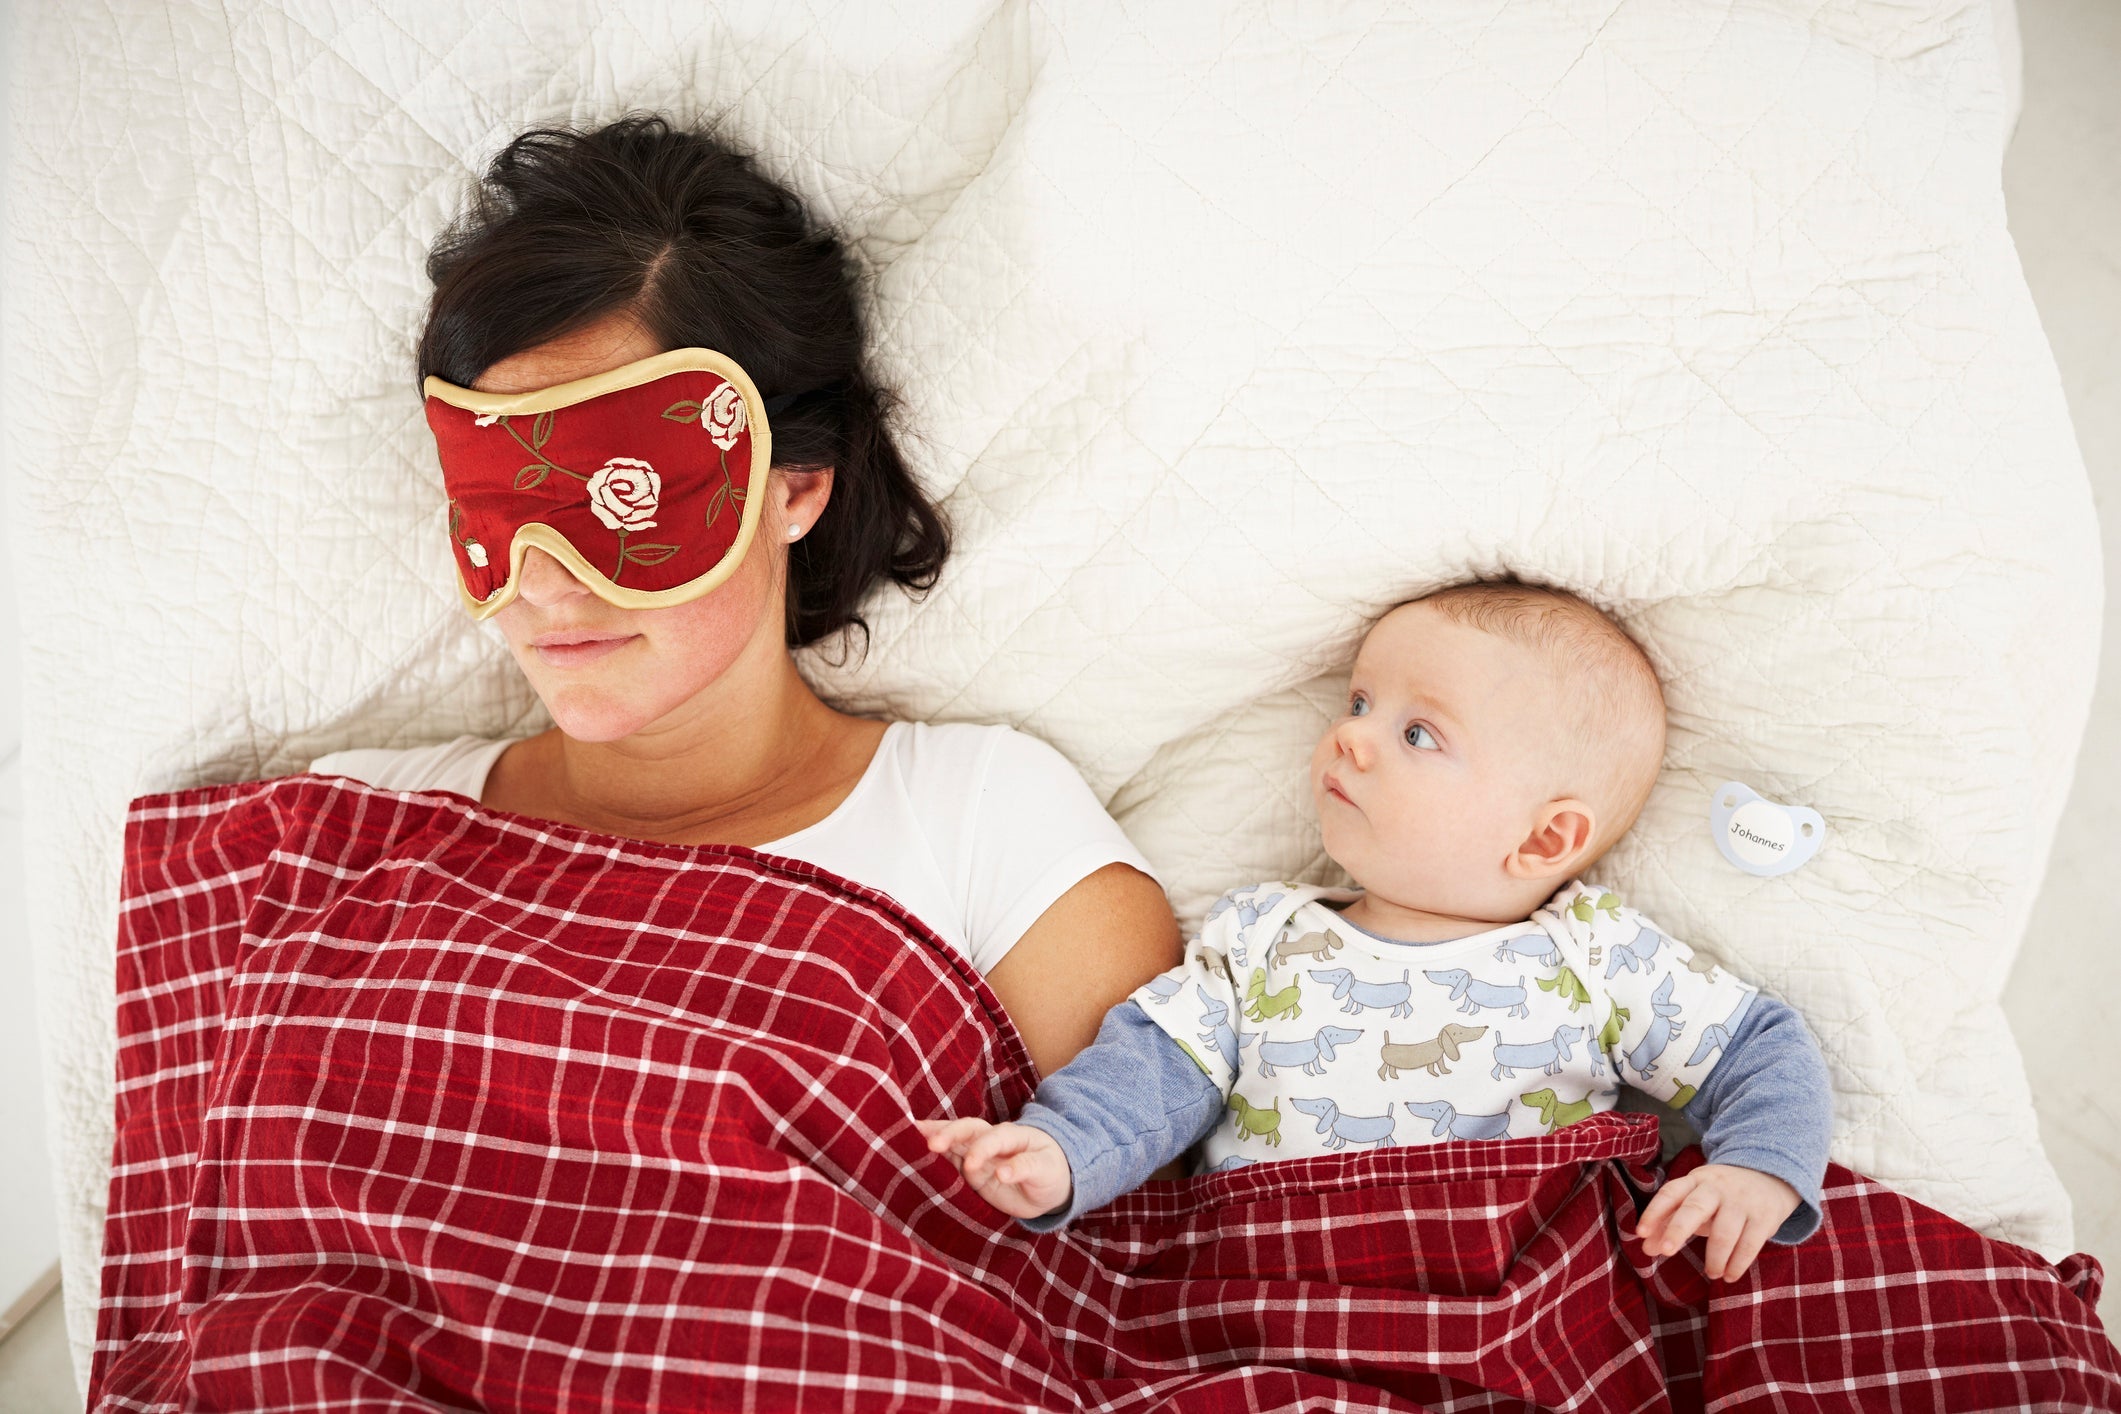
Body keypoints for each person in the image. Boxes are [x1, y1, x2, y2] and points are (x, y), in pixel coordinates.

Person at [309, 113, 1180, 1077]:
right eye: (496, 502)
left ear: (795, 487)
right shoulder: (340, 837)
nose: (543, 582)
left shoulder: (989, 830)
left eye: (616, 496)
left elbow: (1128, 1174)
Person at [920, 582, 1835, 1283]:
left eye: (1418, 734)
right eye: (1358, 703)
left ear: (1543, 839)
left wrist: (1759, 1167)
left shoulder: (1593, 955)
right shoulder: (1261, 939)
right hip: (1279, 1295)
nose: (1349, 738)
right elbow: (1153, 1072)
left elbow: (1757, 1046)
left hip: (1521, 1295)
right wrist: (1062, 1150)